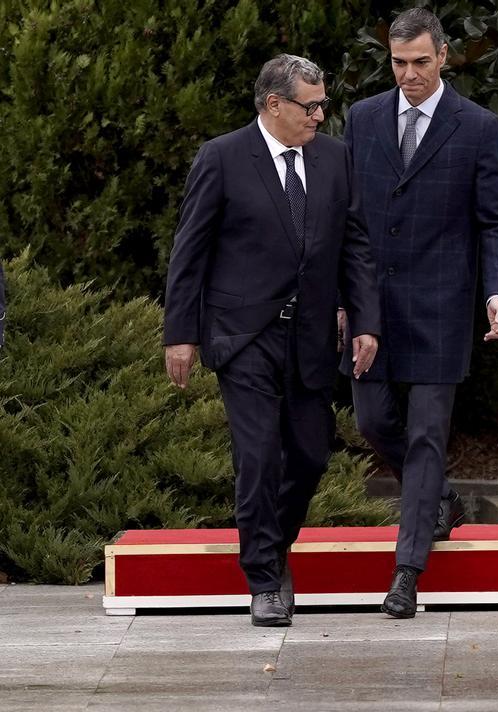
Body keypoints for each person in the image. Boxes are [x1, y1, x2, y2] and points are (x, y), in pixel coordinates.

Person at [163, 54, 381, 628]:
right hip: (244, 335)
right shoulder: (223, 157)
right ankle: (262, 578)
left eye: (323, 104)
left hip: (311, 335)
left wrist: (365, 320)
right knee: (257, 457)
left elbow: (354, 246)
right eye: (310, 106)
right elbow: (190, 253)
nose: (319, 115)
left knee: (309, 456)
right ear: (273, 104)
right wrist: (180, 334)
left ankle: (274, 545)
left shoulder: (335, 158)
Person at [340, 8, 498, 620]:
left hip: (441, 310)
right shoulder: (361, 119)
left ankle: (406, 572)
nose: (409, 74)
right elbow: (349, 216)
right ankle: (441, 497)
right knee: (371, 421)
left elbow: (496, 221)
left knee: (424, 436)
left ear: (444, 56)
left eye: (420, 62)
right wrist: (343, 297)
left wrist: (497, 293)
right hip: (371, 309)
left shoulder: (478, 127)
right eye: (398, 63)